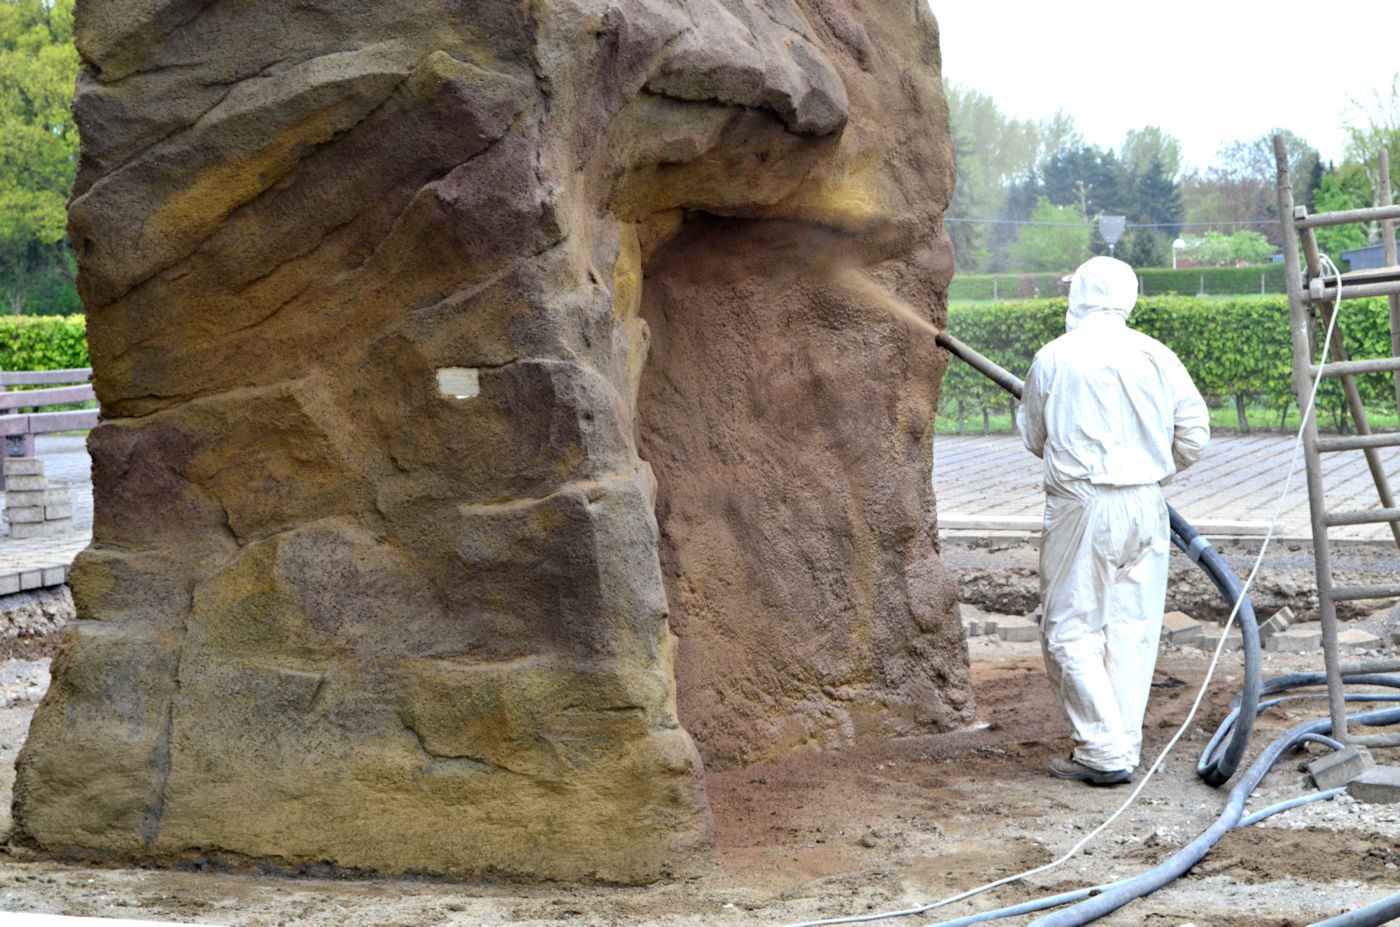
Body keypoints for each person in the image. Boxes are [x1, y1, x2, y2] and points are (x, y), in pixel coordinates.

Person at [1016, 256, 1210, 786]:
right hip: (1146, 505)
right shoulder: (1156, 355)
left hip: (1083, 504)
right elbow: (1194, 437)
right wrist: (1146, 463)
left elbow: (1035, 438)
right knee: (1132, 629)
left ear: (1078, 293)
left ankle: (1103, 752)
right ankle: (1121, 744)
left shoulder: (1054, 357)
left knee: (1071, 629)